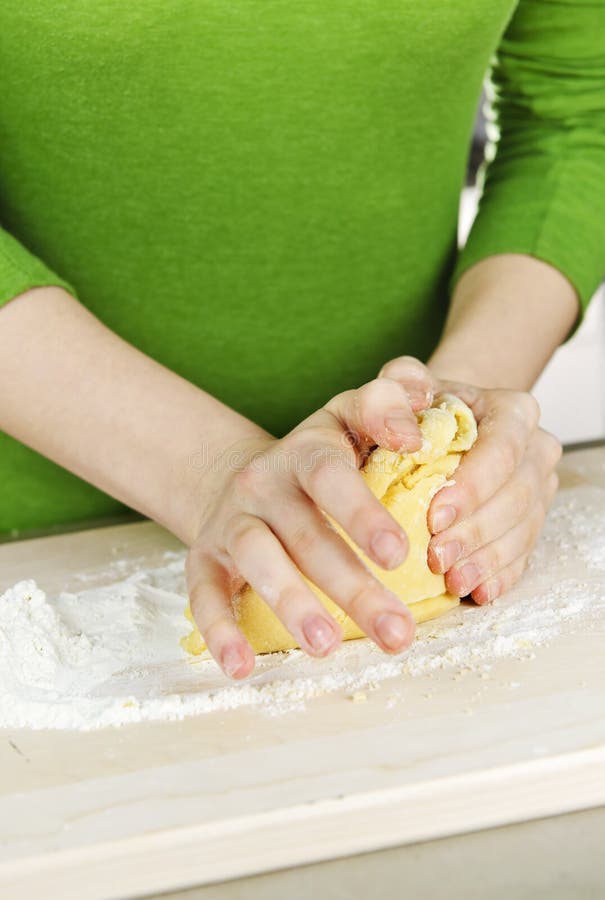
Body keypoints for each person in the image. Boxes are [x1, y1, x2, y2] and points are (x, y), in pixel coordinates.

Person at [0, 3, 603, 679]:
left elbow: (576, 113)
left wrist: (452, 420)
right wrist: (208, 470)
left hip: (391, 527)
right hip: (36, 552)